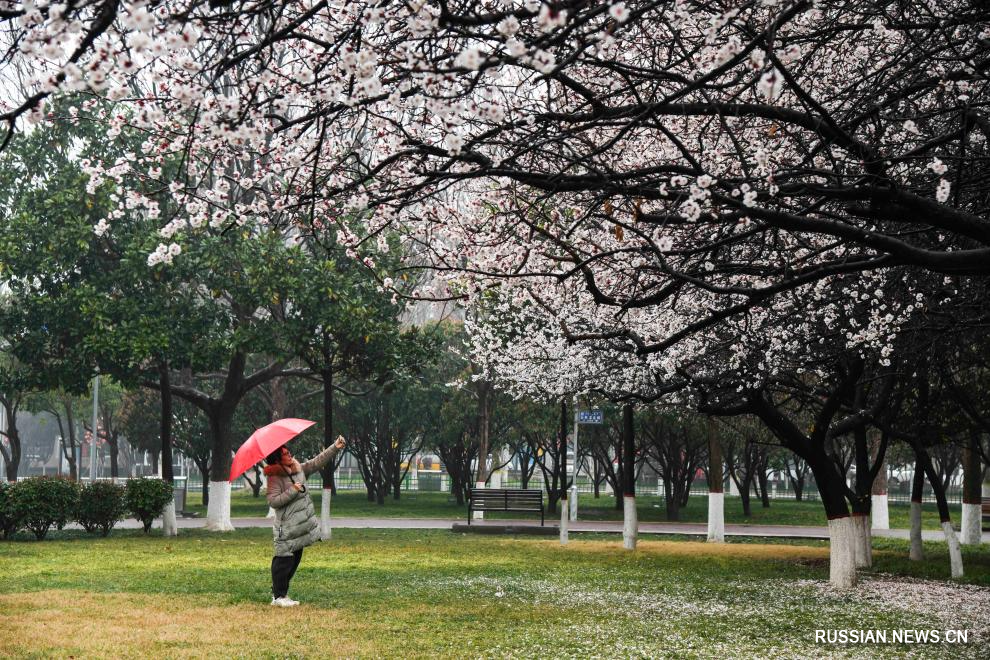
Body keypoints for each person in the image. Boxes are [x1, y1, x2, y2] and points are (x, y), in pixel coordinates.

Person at [264, 435, 346, 607]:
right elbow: (273, 501)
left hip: (300, 527)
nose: (289, 454)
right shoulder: (274, 478)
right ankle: (278, 596)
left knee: (294, 560)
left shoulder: (298, 469)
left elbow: (316, 462)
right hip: (286, 527)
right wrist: (293, 490)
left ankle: (280, 593)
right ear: (277, 459)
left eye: (288, 452)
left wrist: (335, 447)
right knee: (283, 560)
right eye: (285, 454)